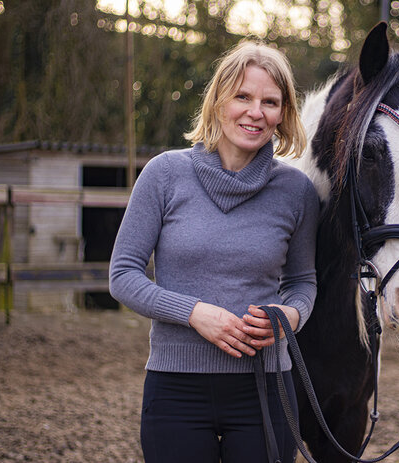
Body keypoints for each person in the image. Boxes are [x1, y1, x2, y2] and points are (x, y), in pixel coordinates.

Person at [109, 41, 319, 463]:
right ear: (219, 101)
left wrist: (290, 318)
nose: (255, 111)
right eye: (243, 96)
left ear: (283, 115)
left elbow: (302, 283)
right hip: (176, 389)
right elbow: (123, 275)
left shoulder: (297, 192)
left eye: (270, 102)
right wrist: (194, 313)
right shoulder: (165, 174)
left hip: (266, 388)